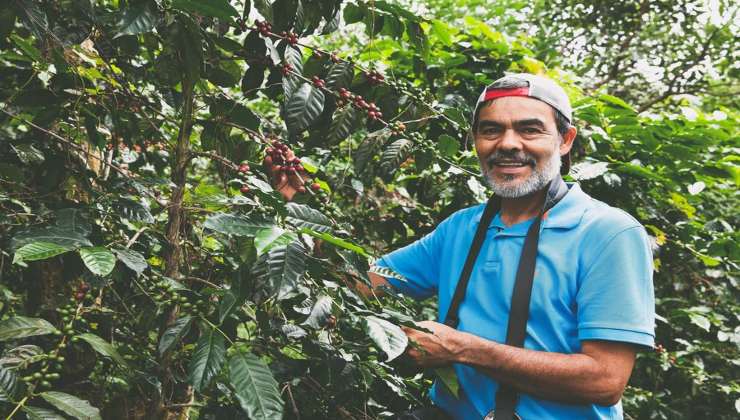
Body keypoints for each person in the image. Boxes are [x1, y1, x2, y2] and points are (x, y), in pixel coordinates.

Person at [274, 73, 655, 419]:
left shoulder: (607, 233)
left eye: (529, 130)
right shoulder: (462, 228)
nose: (507, 144)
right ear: (475, 141)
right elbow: (359, 281)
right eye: (491, 130)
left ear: (565, 139)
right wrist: (296, 212)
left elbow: (605, 382)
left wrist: (463, 349)